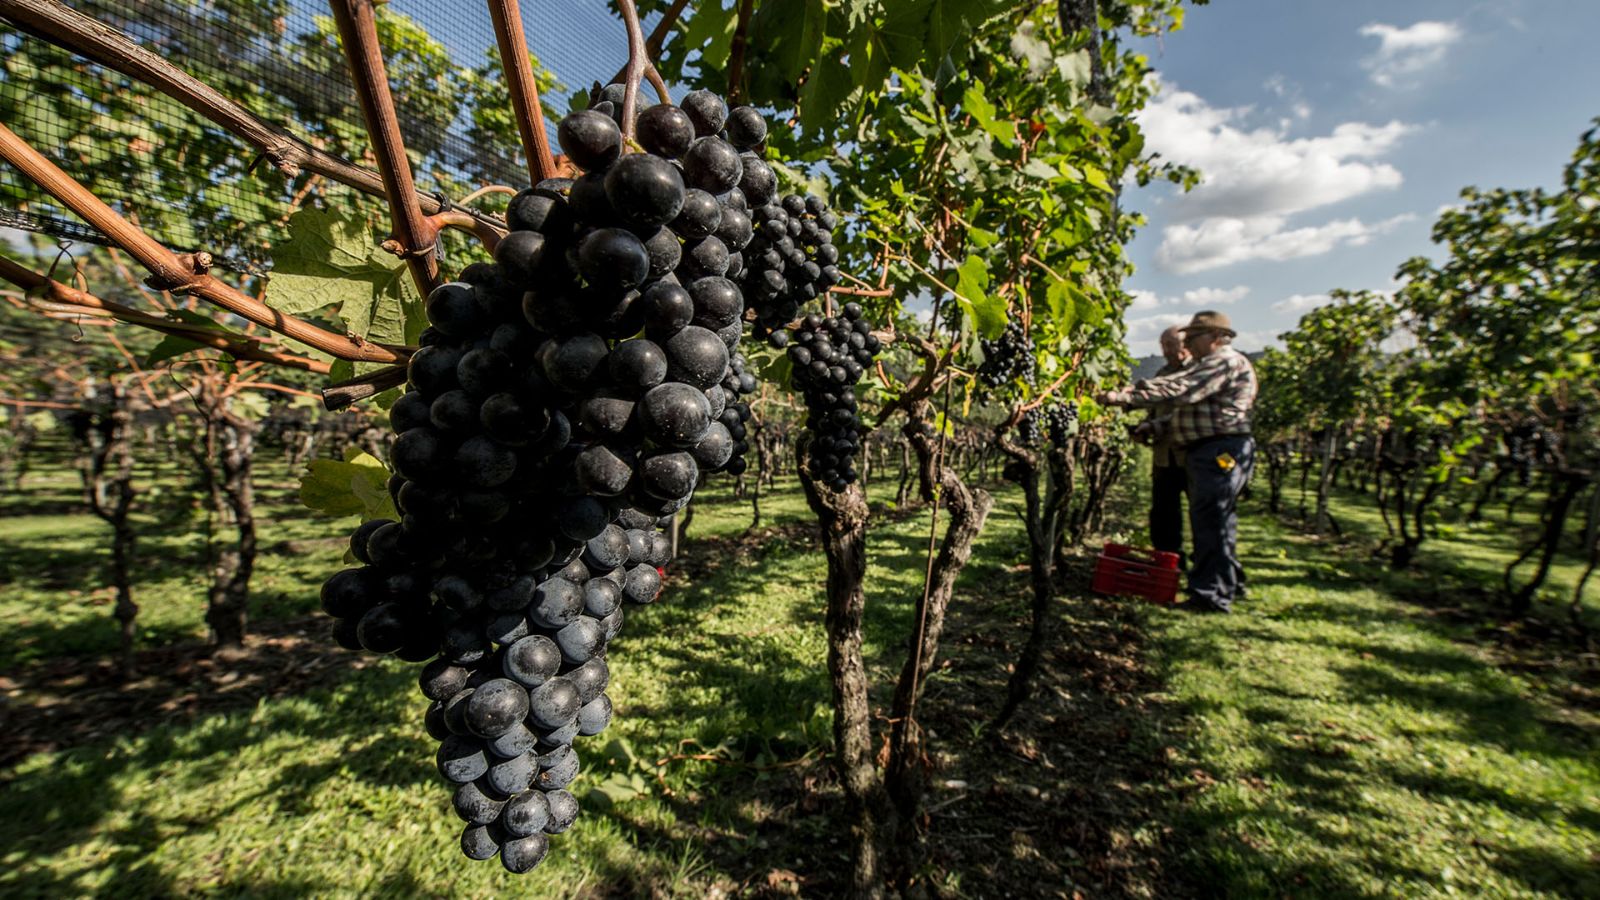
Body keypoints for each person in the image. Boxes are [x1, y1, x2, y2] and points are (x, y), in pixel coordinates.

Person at [1098, 311, 1257, 613]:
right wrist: (1156, 427)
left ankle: (1209, 597)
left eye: (1192, 338)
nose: (1188, 344)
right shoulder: (1213, 363)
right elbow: (1189, 413)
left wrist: (1124, 395)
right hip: (1209, 449)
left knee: (1211, 521)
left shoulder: (1223, 361)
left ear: (1213, 336)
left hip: (1219, 451)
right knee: (1216, 520)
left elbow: (1182, 389)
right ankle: (1226, 585)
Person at [1130, 326, 1191, 568]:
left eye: (1169, 345)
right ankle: (1168, 562)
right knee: (1163, 513)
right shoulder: (1163, 373)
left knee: (1201, 514)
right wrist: (1144, 426)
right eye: (1162, 345)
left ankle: (1204, 567)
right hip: (1164, 457)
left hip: (1189, 454)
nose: (1164, 351)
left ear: (1184, 346)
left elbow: (1184, 412)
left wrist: (1154, 426)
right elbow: (1155, 410)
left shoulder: (1196, 373)